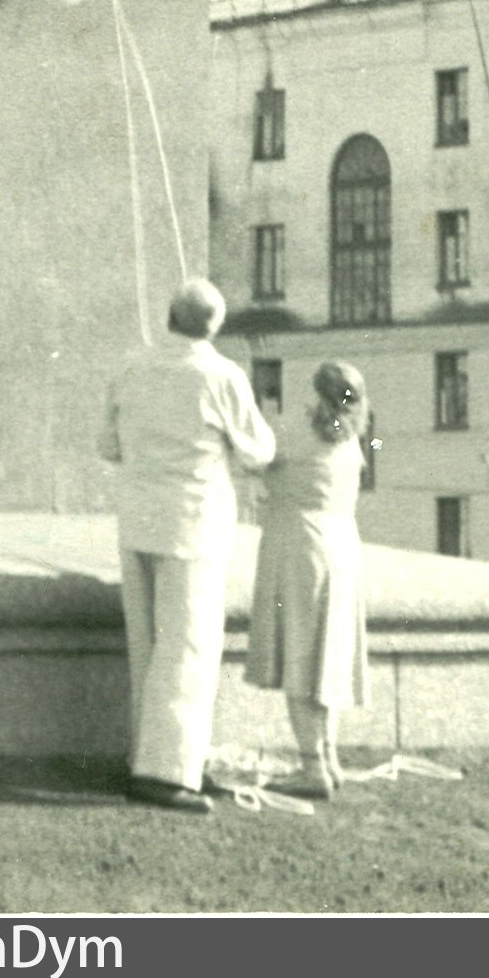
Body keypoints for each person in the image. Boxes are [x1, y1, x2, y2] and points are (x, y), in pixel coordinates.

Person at [100, 278, 277, 814]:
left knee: (148, 644)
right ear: (214, 327)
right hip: (192, 525)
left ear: (169, 316)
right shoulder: (222, 375)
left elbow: (107, 444)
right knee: (189, 647)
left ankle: (150, 757)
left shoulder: (131, 368)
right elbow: (259, 451)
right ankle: (167, 771)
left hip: (137, 521)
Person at [244, 357, 372, 798]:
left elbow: (250, 456)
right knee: (327, 660)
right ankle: (329, 756)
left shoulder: (289, 432)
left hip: (298, 545)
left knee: (300, 657)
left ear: (315, 393)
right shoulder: (352, 441)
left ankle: (312, 766)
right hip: (342, 545)